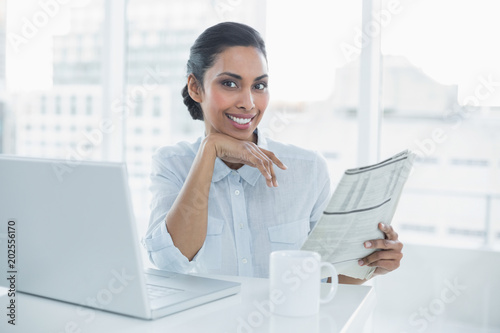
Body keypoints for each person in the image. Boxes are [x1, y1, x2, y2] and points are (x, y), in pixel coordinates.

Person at [142, 22, 403, 284]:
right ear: (195, 87)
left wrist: (371, 264)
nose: (248, 103)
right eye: (230, 84)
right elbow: (170, 262)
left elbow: (326, 280)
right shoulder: (172, 164)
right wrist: (210, 149)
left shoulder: (308, 168)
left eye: (259, 86)